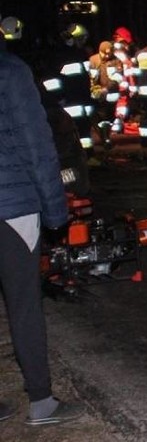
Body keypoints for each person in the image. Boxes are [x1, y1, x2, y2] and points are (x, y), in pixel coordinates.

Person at [0, 41, 85, 426]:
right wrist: (55, 210)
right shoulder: (10, 71)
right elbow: (37, 144)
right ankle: (41, 402)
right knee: (24, 305)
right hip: (12, 207)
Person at [41, 24, 96, 155]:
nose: (82, 43)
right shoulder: (59, 57)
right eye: (80, 39)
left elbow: (83, 80)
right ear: (71, 39)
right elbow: (52, 81)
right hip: (69, 104)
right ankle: (79, 157)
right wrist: (59, 99)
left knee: (84, 133)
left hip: (80, 102)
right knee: (71, 134)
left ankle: (88, 157)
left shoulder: (78, 55)